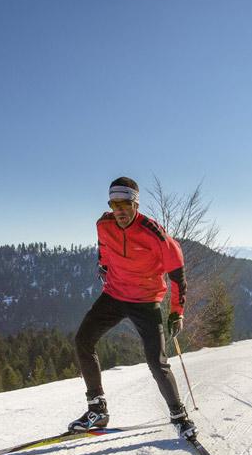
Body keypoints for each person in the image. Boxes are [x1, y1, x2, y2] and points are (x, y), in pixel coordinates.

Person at [70, 177, 197, 439]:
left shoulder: (154, 233)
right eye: (114, 204)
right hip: (114, 295)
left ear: (135, 203)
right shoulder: (103, 224)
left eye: (125, 203)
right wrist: (104, 265)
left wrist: (177, 311)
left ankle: (179, 416)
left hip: (146, 300)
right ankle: (97, 409)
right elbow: (104, 248)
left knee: (156, 361)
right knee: (83, 339)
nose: (120, 210)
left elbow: (178, 276)